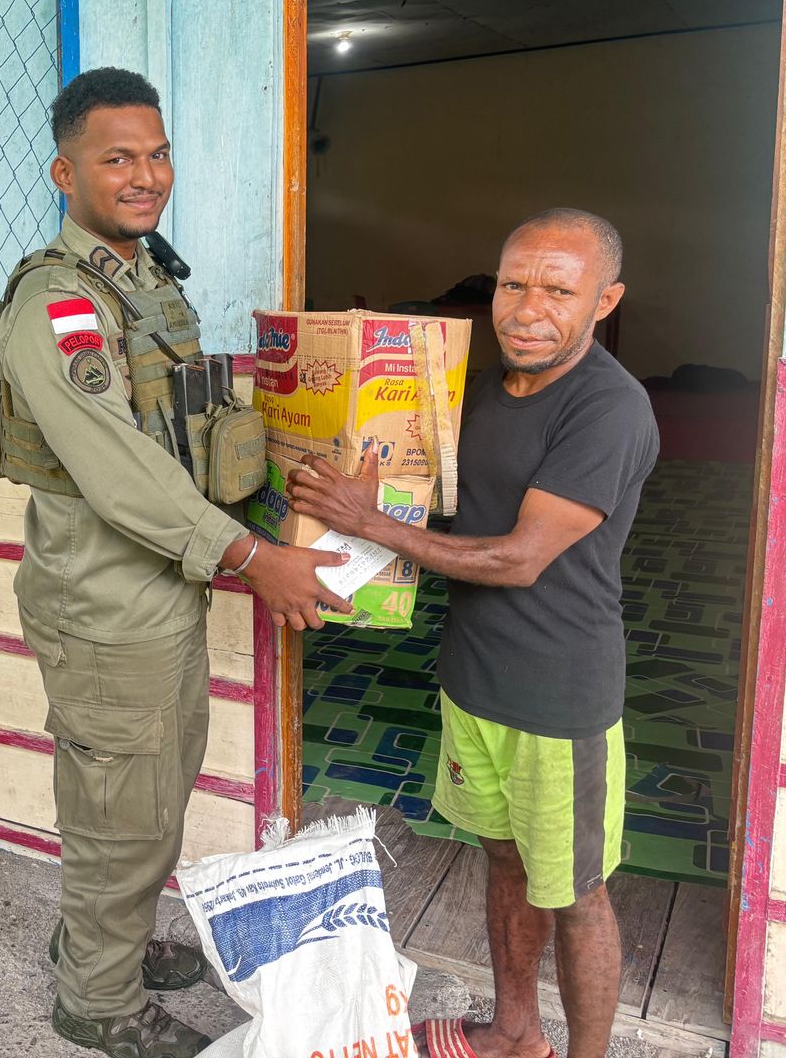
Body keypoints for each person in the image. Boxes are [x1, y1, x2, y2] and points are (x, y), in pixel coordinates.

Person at [0, 67, 352, 1058]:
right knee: (124, 811)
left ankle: (95, 943)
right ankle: (95, 1001)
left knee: (145, 794)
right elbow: (117, 473)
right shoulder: (58, 305)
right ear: (66, 171)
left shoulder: (146, 280)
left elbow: (183, 434)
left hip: (159, 592)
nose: (146, 175)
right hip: (107, 604)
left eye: (156, 155)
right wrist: (253, 558)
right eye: (118, 158)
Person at [288, 208, 659, 1058]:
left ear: (606, 300)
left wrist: (371, 525)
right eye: (514, 284)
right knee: (504, 862)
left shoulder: (611, 410)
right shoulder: (484, 394)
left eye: (558, 291)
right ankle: (515, 1030)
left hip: (559, 697)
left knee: (578, 894)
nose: (528, 308)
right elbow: (437, 502)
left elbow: (523, 557)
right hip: (473, 678)